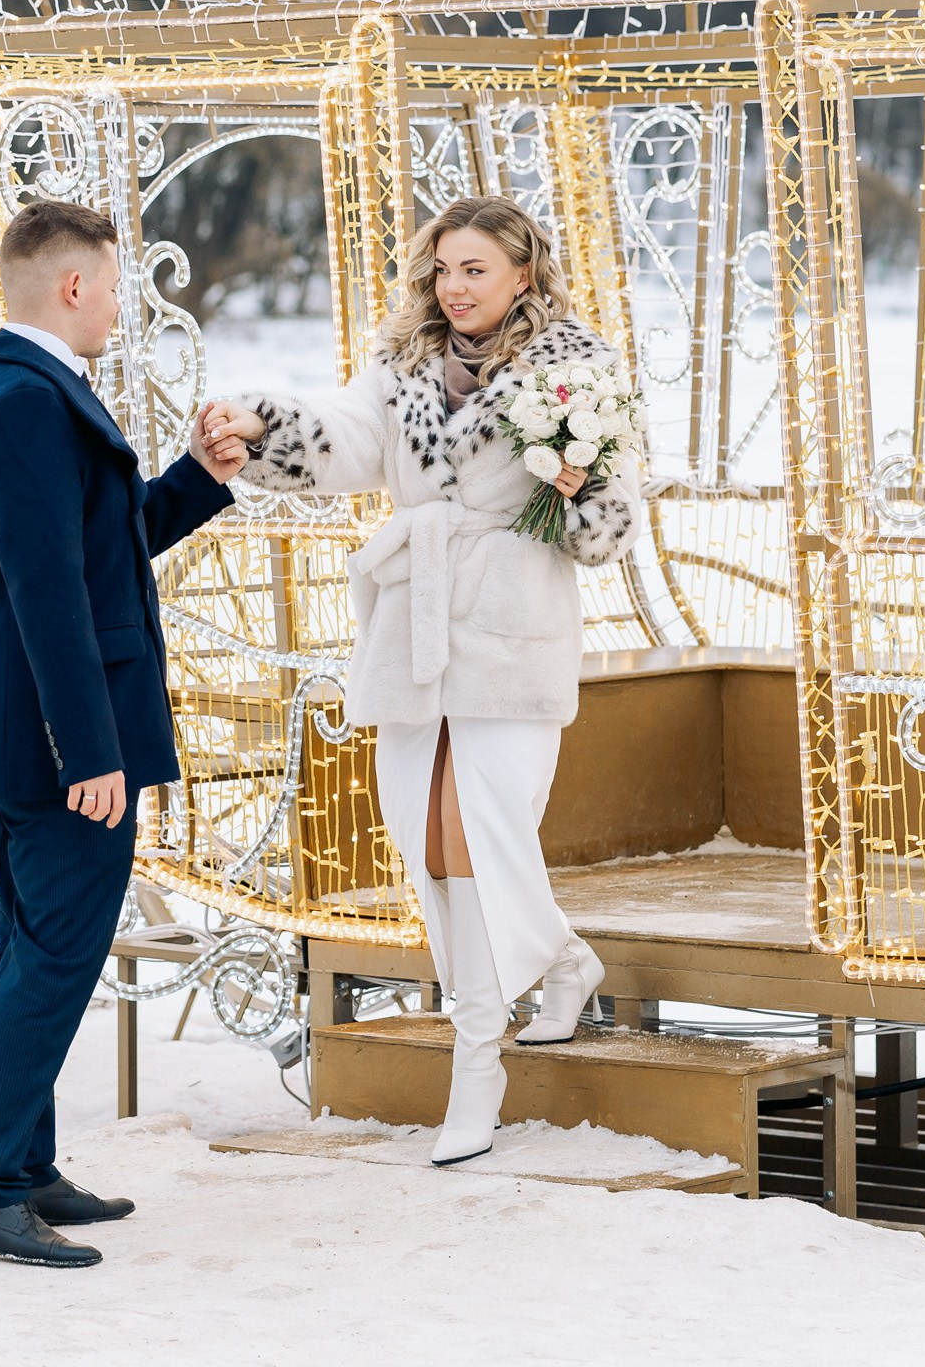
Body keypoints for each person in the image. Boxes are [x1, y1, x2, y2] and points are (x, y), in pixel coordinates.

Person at [203, 194, 642, 1167]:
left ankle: (476, 1058)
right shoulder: (404, 367)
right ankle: (566, 964)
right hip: (411, 629)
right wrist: (261, 420)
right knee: (427, 837)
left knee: (478, 833)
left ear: (523, 272)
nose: (455, 286)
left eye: (475, 269)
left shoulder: (576, 369)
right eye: (444, 269)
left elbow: (609, 527)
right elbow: (344, 432)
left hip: (511, 633)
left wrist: (579, 488)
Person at [0, 197, 248, 1267]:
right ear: (73, 288)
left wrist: (202, 478)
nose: (119, 304)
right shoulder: (25, 403)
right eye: (113, 285)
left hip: (44, 734)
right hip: (55, 743)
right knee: (56, 956)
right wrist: (90, 751)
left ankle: (20, 1167)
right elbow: (46, 596)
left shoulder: (35, 391)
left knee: (37, 949)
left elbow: (105, 552)